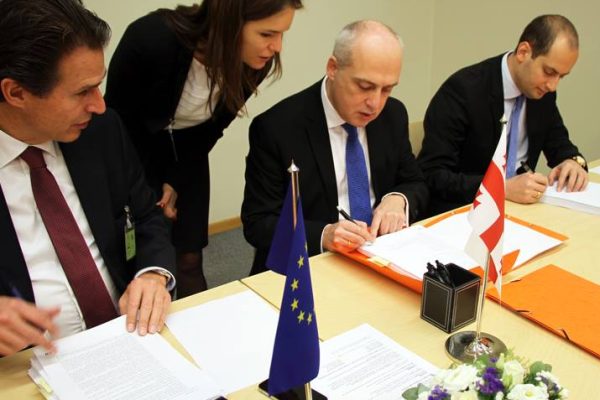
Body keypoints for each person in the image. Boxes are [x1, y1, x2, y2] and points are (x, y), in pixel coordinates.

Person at [0, 0, 175, 357]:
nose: (99, 105)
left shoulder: (100, 131)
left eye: (98, 86)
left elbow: (145, 216)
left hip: (131, 338)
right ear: (16, 93)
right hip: (25, 364)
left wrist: (153, 274)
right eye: (82, 92)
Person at [104, 0, 302, 297]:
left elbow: (212, 129)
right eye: (266, 34)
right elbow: (114, 123)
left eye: (281, 34)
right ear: (229, 22)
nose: (277, 47)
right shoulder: (151, 38)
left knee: (189, 258)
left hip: (191, 151)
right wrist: (145, 187)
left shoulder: (255, 63)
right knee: (136, 258)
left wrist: (176, 178)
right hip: (130, 151)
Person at [242, 20, 429, 275]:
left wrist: (398, 199)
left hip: (381, 256)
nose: (375, 103)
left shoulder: (393, 114)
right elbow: (259, 223)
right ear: (333, 68)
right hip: (309, 268)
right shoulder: (277, 128)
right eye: (365, 87)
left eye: (387, 89)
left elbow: (415, 182)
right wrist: (324, 235)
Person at [418, 14, 589, 217]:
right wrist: (500, 188)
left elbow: (559, 144)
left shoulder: (542, 93)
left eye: (561, 76)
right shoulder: (463, 91)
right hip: (466, 213)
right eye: (549, 72)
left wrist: (572, 162)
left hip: (519, 210)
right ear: (523, 52)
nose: (553, 85)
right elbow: (433, 175)